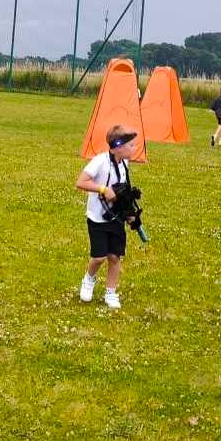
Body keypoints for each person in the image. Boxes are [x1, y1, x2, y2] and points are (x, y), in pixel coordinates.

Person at [76, 125, 140, 310]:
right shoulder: (100, 161)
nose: (134, 148)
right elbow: (81, 182)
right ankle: (89, 279)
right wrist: (103, 189)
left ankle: (111, 292)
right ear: (118, 146)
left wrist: (130, 214)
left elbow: (123, 191)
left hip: (116, 218)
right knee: (98, 257)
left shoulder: (124, 164)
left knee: (114, 257)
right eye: (131, 145)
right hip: (97, 218)